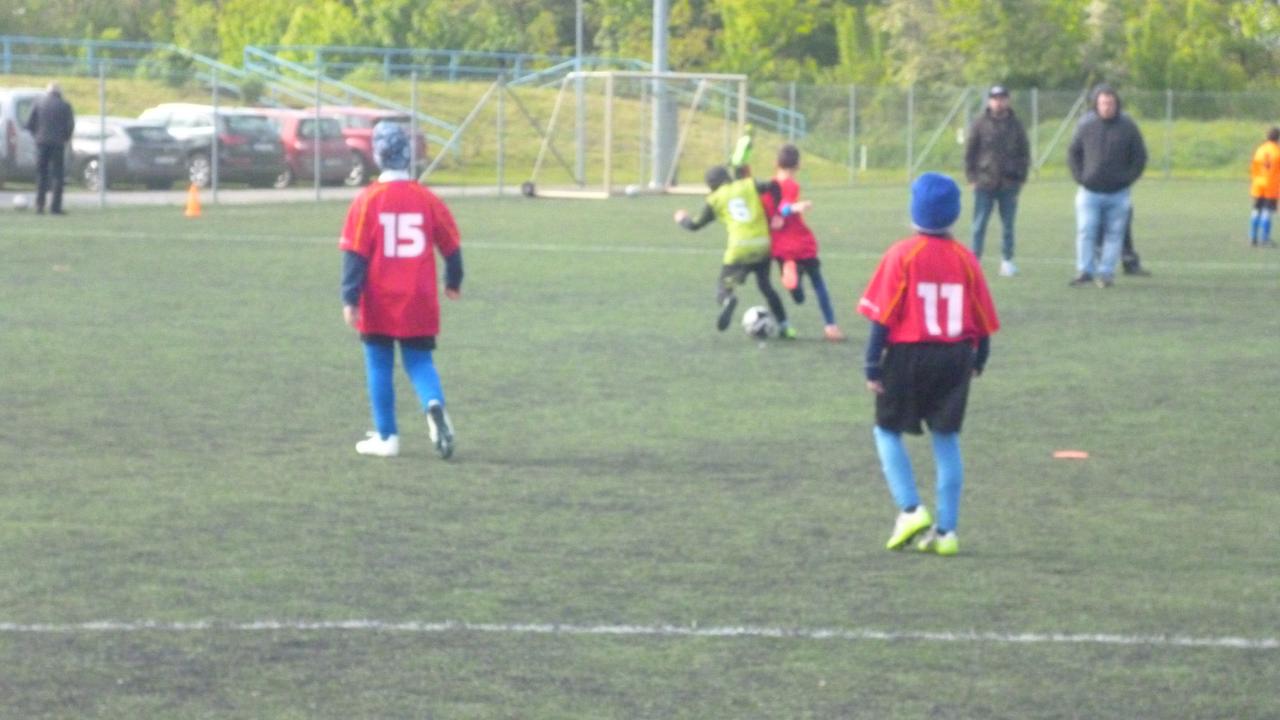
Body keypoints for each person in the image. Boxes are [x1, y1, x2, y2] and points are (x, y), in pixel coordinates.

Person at [857, 172, 1000, 557]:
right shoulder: (966, 258)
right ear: (954, 214)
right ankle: (947, 532)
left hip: (909, 354)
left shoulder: (902, 254)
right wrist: (980, 358)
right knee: (946, 438)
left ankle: (910, 509)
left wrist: (872, 364)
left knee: (887, 430)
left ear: (914, 210)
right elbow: (982, 317)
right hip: (956, 356)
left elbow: (882, 317)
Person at [339, 121, 463, 459]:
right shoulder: (426, 198)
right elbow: (451, 246)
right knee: (419, 360)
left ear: (377, 155)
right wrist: (453, 281)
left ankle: (387, 436)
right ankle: (433, 404)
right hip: (418, 298)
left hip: (379, 298)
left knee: (379, 364)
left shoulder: (367, 200)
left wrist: (350, 297)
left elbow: (355, 253)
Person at [673, 163, 795, 338]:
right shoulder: (747, 184)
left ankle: (728, 299)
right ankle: (785, 326)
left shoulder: (715, 199)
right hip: (762, 245)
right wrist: (777, 213)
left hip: (739, 250)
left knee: (723, 288)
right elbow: (774, 185)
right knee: (766, 287)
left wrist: (681, 218)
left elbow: (695, 225)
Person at [1067, 83, 1147, 288]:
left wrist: (1128, 179)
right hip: (1089, 192)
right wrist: (1080, 177)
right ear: (1096, 104)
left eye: (1110, 103)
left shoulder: (1128, 126)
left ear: (1116, 104)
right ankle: (1085, 271)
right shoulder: (1085, 125)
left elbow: (1140, 156)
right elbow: (1073, 152)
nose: (1107, 107)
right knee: (1086, 231)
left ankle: (1105, 273)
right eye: (1103, 103)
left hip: (1118, 193)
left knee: (1114, 235)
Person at [768, 144, 844, 341]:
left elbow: (773, 212)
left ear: (776, 163)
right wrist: (795, 207)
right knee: (818, 283)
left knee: (798, 297)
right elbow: (784, 207)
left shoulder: (767, 187)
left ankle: (793, 277)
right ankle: (831, 326)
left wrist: (775, 219)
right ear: (797, 165)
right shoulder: (791, 186)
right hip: (800, 242)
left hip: (781, 246)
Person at [964, 85, 1030, 277]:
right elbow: (970, 152)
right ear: (989, 101)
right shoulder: (980, 123)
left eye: (1002, 98)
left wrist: (1021, 178)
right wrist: (971, 177)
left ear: (1008, 100)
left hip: (1009, 183)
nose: (998, 102)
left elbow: (1024, 152)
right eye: (995, 98)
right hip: (984, 182)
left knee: (1008, 225)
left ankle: (1007, 261)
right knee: (979, 224)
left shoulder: (1016, 125)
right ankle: (975, 261)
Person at [24, 81, 75, 216]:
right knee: (58, 175)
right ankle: (55, 208)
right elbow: (70, 126)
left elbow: (29, 124)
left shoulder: (38, 103)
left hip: (41, 143)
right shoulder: (65, 105)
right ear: (59, 92)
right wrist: (65, 138)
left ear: (47, 92)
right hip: (58, 144)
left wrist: (37, 136)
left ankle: (39, 206)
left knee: (41, 174)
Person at [1249, 127, 1280, 248]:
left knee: (1256, 209)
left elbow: (1253, 168)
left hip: (1258, 183)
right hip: (1271, 185)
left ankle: (1253, 237)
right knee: (1267, 211)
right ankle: (1265, 238)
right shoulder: (1277, 152)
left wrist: (1255, 180)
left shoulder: (1259, 150)